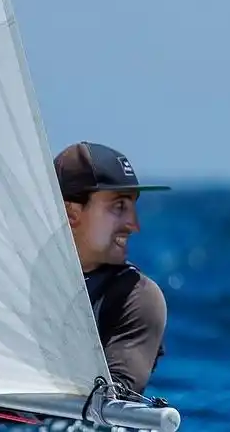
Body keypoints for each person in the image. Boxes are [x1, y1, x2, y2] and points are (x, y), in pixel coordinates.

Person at [53, 140, 170, 398]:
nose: (134, 224)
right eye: (119, 206)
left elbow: (114, 401)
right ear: (71, 213)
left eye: (133, 206)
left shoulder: (138, 298)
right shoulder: (14, 284)